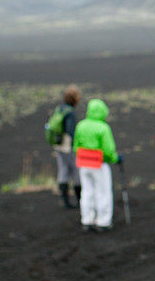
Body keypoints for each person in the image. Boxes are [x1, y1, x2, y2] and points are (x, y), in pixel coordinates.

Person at [73, 98, 122, 233]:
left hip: (83, 164)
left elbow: (76, 146)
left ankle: (87, 220)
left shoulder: (81, 125)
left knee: (87, 192)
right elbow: (108, 150)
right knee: (103, 192)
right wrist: (116, 159)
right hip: (99, 164)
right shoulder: (103, 128)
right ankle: (103, 222)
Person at [51, 85, 81, 209]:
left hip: (58, 144)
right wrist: (77, 144)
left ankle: (65, 201)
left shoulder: (60, 109)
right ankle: (79, 201)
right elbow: (70, 130)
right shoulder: (70, 112)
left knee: (63, 170)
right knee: (76, 171)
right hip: (68, 146)